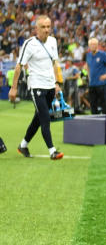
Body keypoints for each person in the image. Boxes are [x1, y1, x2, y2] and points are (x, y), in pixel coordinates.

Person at [9, 16, 64, 159]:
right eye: (43, 27)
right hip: (37, 86)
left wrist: (57, 83)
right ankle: (52, 151)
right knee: (45, 118)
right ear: (36, 29)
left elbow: (54, 63)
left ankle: (23, 145)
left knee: (38, 119)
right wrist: (13, 88)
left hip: (50, 86)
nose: (46, 30)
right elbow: (19, 66)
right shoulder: (29, 44)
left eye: (48, 26)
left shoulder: (53, 41)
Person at [85, 37, 106, 114]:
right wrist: (89, 77)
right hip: (92, 84)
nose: (93, 46)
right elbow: (87, 66)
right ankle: (94, 122)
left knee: (104, 104)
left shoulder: (102, 54)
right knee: (93, 105)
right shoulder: (88, 55)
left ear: (97, 45)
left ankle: (105, 122)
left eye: (94, 44)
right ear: (89, 46)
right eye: (91, 45)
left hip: (101, 84)